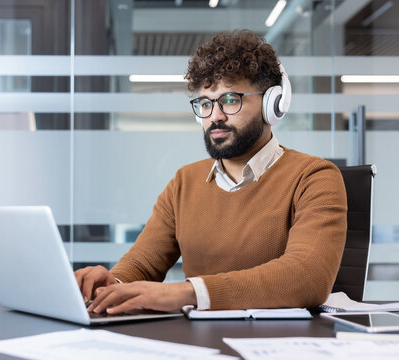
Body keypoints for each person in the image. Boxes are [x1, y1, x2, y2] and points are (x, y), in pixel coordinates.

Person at [75, 29, 347, 315]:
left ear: (272, 104)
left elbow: (307, 276)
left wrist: (186, 293)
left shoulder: (315, 177)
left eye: (230, 99)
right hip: (199, 346)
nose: (215, 116)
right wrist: (112, 284)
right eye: (205, 103)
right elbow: (143, 264)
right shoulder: (184, 182)